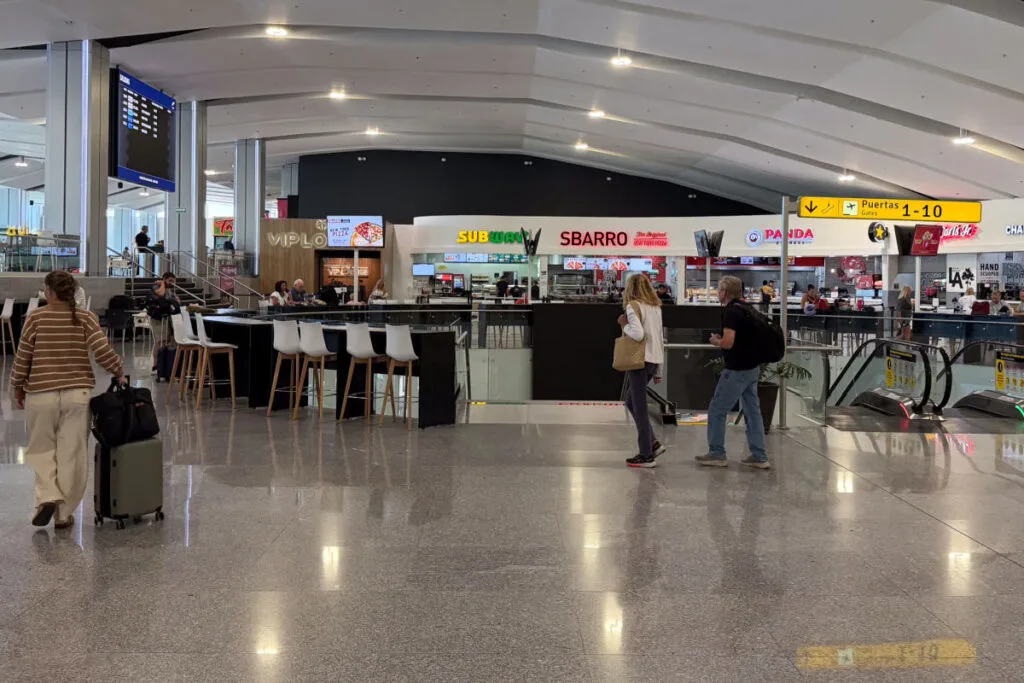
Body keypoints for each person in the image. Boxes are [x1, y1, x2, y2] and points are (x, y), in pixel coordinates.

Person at [11, 272, 125, 528]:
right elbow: (103, 351)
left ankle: (47, 497)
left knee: (42, 450)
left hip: (40, 394)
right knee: (71, 453)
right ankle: (63, 514)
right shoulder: (85, 318)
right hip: (77, 395)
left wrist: (17, 386)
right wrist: (118, 369)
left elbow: (22, 357)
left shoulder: (35, 318)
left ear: (49, 293)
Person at [697, 275, 770, 470]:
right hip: (752, 368)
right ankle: (759, 455)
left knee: (717, 409)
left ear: (726, 293)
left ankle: (716, 453)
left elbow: (729, 343)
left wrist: (717, 341)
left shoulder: (730, 312)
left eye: (719, 290)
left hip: (736, 370)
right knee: (753, 412)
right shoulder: (747, 309)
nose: (717, 293)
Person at [619, 274, 666, 468]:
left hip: (639, 361)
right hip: (653, 360)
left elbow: (638, 334)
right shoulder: (655, 308)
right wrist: (659, 369)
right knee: (631, 400)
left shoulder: (633, 306)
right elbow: (660, 337)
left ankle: (646, 454)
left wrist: (623, 325)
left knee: (639, 406)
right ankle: (653, 443)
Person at [147, 275, 180, 373]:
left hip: (166, 317)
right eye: (170, 281)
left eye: (173, 281)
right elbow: (160, 294)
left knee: (166, 341)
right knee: (159, 341)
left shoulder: (169, 290)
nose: (172, 283)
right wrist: (162, 284)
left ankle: (165, 366)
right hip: (157, 318)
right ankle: (155, 365)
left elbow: (174, 300)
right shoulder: (157, 286)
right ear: (164, 279)